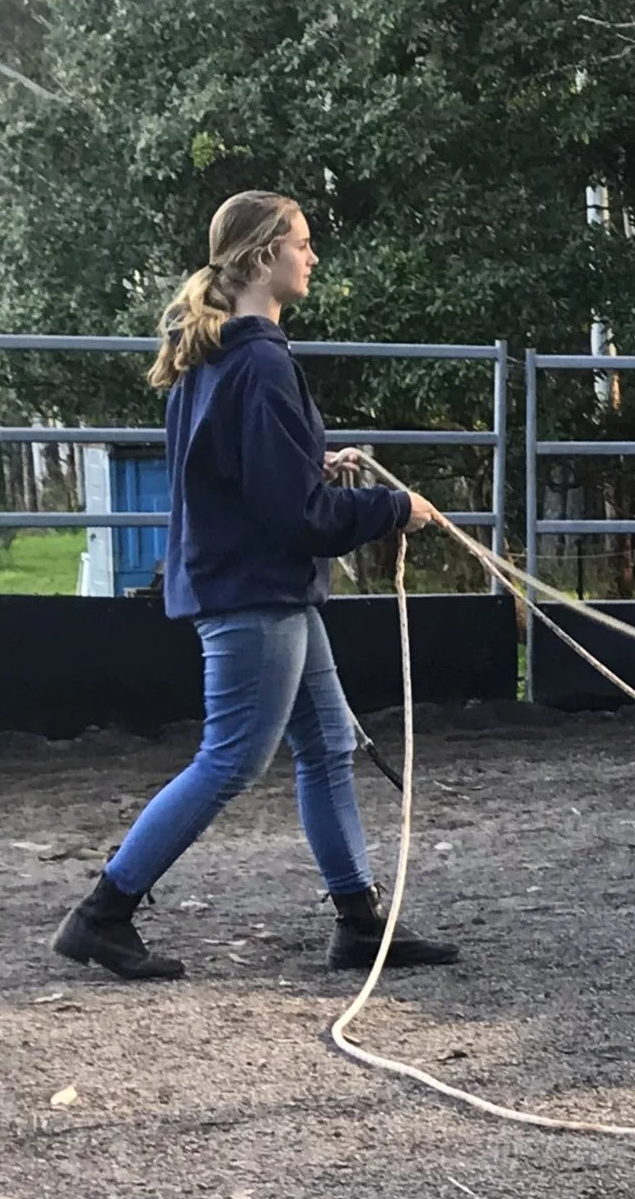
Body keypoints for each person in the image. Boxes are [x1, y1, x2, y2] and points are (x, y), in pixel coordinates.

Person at [51, 190, 460, 980]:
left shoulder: (212, 358)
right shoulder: (262, 361)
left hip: (252, 586)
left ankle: (358, 920)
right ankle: (103, 911)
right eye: (302, 244)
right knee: (233, 758)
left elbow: (241, 478)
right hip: (258, 591)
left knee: (326, 745)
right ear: (266, 254)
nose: (312, 257)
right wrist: (390, 506)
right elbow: (295, 516)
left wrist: (317, 466)